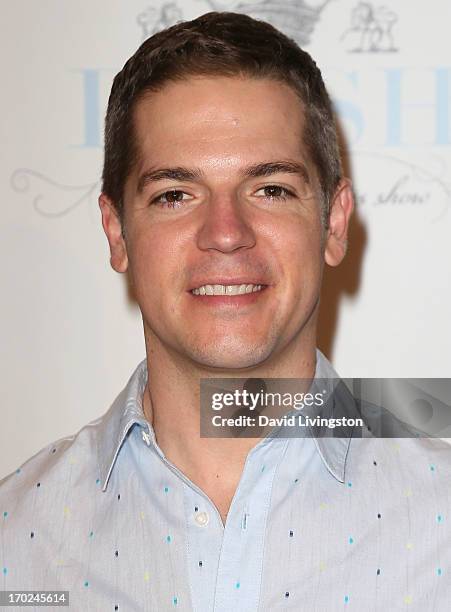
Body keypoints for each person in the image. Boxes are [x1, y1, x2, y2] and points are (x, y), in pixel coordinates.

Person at [1, 11, 450, 612]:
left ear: (334, 223)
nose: (226, 233)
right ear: (116, 233)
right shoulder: (17, 538)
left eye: (270, 189)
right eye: (175, 194)